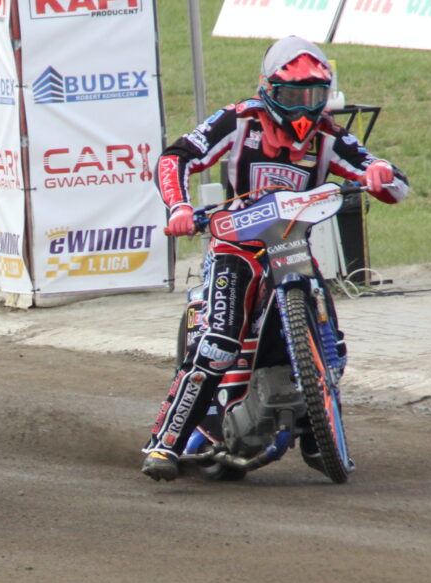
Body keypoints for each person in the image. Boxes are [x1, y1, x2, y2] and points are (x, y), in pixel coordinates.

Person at [140, 36, 409, 482]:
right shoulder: (239, 119)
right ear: (269, 89)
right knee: (218, 341)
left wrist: (381, 173)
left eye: (315, 96)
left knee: (332, 346)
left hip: (292, 247)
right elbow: (176, 157)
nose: (304, 108)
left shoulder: (329, 135)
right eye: (293, 95)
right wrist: (179, 207)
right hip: (236, 247)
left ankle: (318, 435)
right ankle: (164, 442)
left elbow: (388, 179)